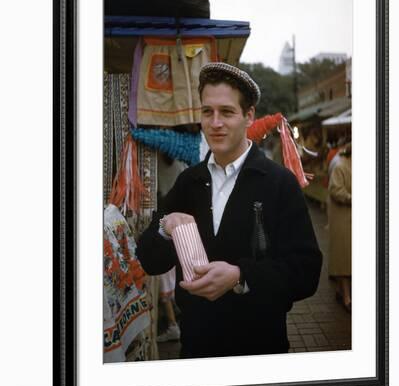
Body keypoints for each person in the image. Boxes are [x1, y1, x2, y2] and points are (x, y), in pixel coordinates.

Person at [137, 62, 322, 359]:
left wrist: (240, 276)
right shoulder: (190, 182)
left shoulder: (278, 182)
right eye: (207, 112)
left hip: (259, 349)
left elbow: (307, 272)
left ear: (249, 116)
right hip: (198, 346)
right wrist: (164, 227)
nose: (215, 122)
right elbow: (149, 260)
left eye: (227, 112)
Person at [328, 143, 352, 312]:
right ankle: (346, 297)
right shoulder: (341, 165)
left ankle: (340, 291)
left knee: (349, 257)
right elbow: (336, 190)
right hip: (342, 218)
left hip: (350, 217)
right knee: (344, 257)